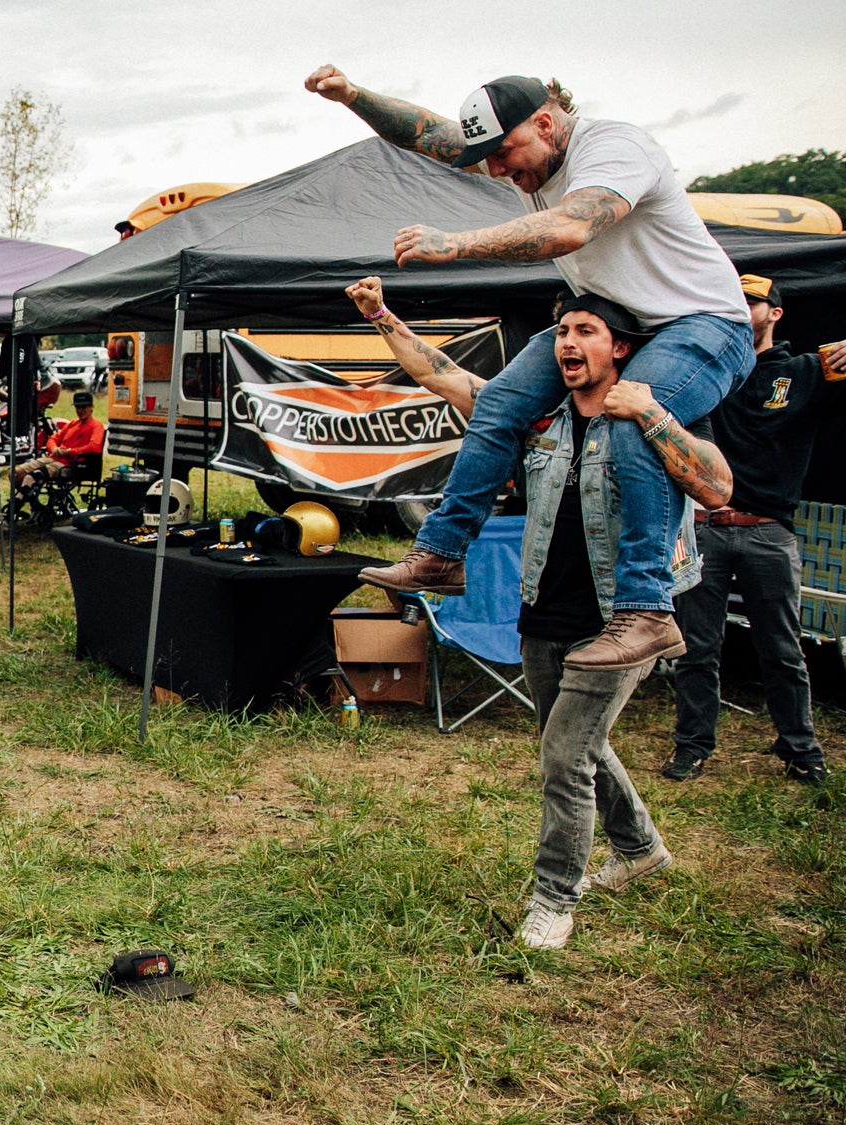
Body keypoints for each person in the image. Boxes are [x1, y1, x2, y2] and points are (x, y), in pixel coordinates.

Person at [306, 66, 755, 672]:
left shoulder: (615, 148)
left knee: (631, 414)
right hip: (623, 321)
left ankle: (647, 610)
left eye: (504, 155)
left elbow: (570, 226)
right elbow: (426, 134)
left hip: (702, 323)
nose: (495, 171)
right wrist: (353, 96)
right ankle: (442, 553)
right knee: (498, 403)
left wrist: (457, 245)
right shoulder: (525, 148)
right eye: (487, 158)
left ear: (546, 123)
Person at [349, 276, 733, 949]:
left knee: (563, 757)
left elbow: (718, 485)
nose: (568, 342)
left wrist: (652, 415)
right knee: (580, 746)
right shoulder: (539, 420)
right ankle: (642, 849)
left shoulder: (658, 409)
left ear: (621, 348)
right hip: (542, 611)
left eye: (585, 330)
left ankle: (554, 899)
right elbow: (443, 377)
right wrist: (380, 314)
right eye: (561, 331)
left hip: (621, 621)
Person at [665, 274, 846, 787]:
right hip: (705, 529)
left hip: (769, 532)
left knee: (782, 649)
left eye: (752, 300)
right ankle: (692, 747)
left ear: (776, 314)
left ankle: (800, 749)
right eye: (733, 298)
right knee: (696, 648)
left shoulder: (804, 372)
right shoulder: (704, 372)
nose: (740, 307)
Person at [10, 393, 104, 495]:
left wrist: (69, 452)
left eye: (84, 407)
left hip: (70, 464)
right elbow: (53, 438)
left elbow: (95, 447)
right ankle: (33, 503)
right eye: (78, 407)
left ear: (91, 407)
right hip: (53, 458)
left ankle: (19, 502)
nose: (80, 411)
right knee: (15, 473)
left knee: (34, 476)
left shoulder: (96, 425)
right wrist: (54, 449)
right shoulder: (73, 424)